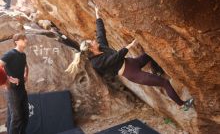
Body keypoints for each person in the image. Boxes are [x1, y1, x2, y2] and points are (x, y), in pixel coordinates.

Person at [66, 7, 194, 110]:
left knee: (149, 54)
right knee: (164, 83)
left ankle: (157, 71)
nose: (94, 40)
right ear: (91, 49)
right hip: (132, 73)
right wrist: (129, 46)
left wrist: (97, 14)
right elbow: (115, 58)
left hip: (132, 63)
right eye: (92, 42)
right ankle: (183, 105)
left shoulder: (101, 47)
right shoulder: (96, 63)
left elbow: (100, 32)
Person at [0, 33, 29, 134]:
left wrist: (26, 75)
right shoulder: (10, 54)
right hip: (12, 90)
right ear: (16, 41)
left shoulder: (23, 55)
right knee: (16, 118)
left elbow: (26, 66)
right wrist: (7, 78)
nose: (26, 40)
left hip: (22, 89)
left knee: (25, 115)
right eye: (23, 39)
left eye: (26, 38)